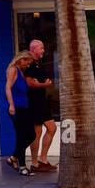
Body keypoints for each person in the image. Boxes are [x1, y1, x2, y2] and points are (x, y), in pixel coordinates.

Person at [26, 39, 57, 174]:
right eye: (41, 48)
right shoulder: (30, 64)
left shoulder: (38, 63)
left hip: (41, 100)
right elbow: (30, 83)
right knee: (38, 132)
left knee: (51, 128)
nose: (43, 51)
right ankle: (35, 162)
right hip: (34, 102)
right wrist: (44, 85)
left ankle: (42, 160)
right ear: (34, 50)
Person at [5, 52, 36, 176]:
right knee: (22, 136)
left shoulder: (21, 72)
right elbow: (8, 87)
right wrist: (11, 105)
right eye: (27, 62)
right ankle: (22, 167)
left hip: (25, 108)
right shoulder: (13, 69)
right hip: (17, 108)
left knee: (31, 135)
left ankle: (13, 158)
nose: (28, 65)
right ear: (21, 59)